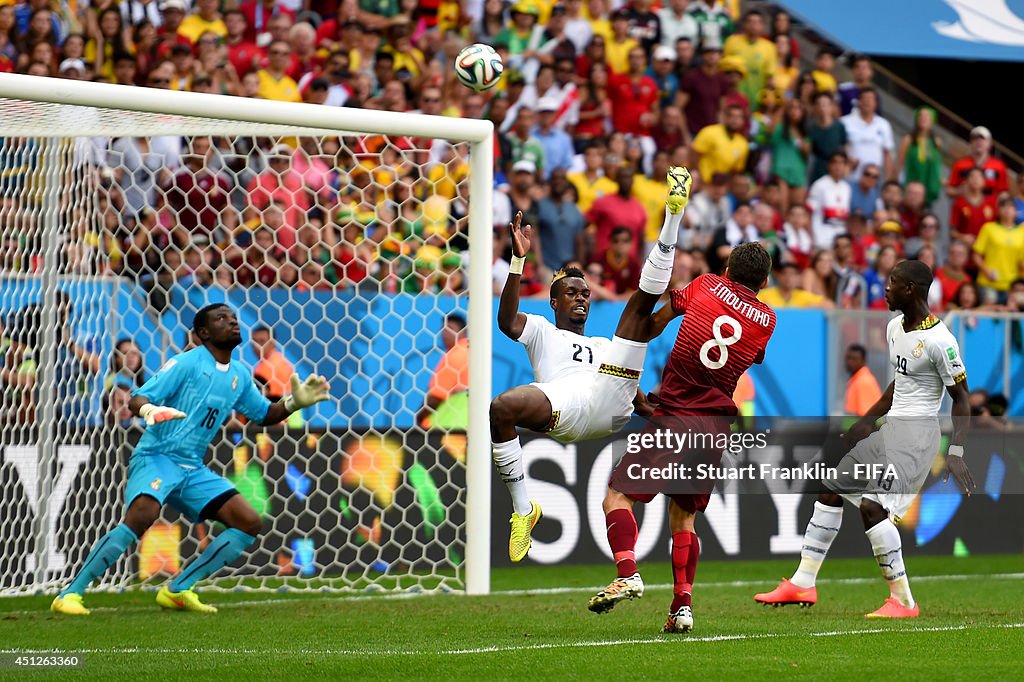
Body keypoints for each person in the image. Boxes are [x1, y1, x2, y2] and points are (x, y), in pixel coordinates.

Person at [50, 304, 330, 615]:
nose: (233, 322)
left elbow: (264, 414)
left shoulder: (238, 374)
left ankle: (179, 589)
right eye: (222, 318)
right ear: (204, 333)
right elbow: (137, 397)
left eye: (234, 318)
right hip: (157, 456)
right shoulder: (186, 363)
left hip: (192, 467)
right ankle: (71, 593)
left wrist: (293, 402)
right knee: (143, 514)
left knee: (248, 522)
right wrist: (148, 411)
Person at [490, 167, 692, 562]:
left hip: (609, 404)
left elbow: (641, 405)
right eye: (571, 293)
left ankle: (673, 238)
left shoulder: (604, 346)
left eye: (585, 293)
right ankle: (523, 511)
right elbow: (506, 322)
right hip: (565, 403)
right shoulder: (543, 330)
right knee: (501, 408)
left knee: (634, 328)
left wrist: (684, 426)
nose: (581, 298)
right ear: (554, 301)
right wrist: (518, 260)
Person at [755, 260, 974, 618]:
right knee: (831, 488)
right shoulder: (893, 329)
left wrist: (958, 450)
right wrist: (865, 422)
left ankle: (903, 602)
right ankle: (803, 582)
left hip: (917, 438)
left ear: (911, 290)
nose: (885, 288)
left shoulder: (940, 342)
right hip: (890, 432)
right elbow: (898, 384)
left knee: (874, 508)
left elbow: (962, 397)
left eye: (892, 283)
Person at [588, 241, 776, 634]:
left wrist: (626, 357)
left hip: (676, 415)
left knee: (616, 495)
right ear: (764, 282)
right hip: (715, 427)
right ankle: (681, 606)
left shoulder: (706, 285)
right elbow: (748, 355)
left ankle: (627, 572)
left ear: (727, 268)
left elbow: (655, 323)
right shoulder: (767, 320)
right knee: (684, 516)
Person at [844, 343, 881, 417]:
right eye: (848, 358)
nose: (850, 362)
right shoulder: (857, 379)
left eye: (854, 359)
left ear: (863, 361)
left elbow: (866, 416)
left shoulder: (863, 381)